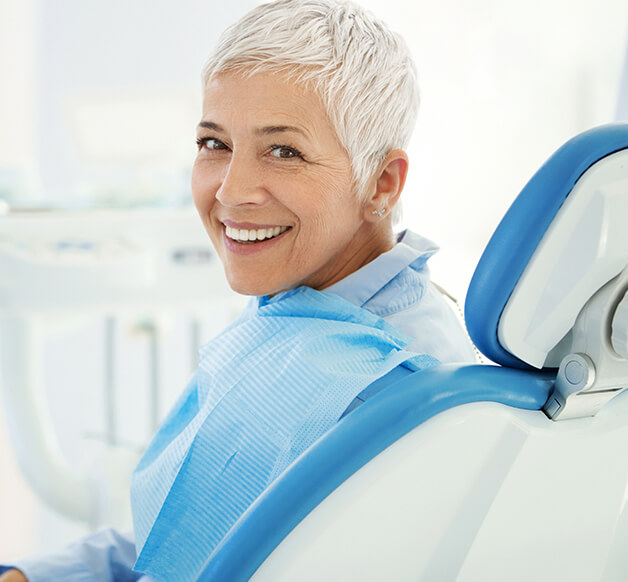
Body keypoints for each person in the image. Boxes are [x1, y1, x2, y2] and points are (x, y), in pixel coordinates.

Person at [0, 0, 476, 580]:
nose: (232, 190)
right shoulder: (302, 313)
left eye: (283, 151)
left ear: (380, 182)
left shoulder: (392, 385)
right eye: (214, 144)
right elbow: (190, 535)